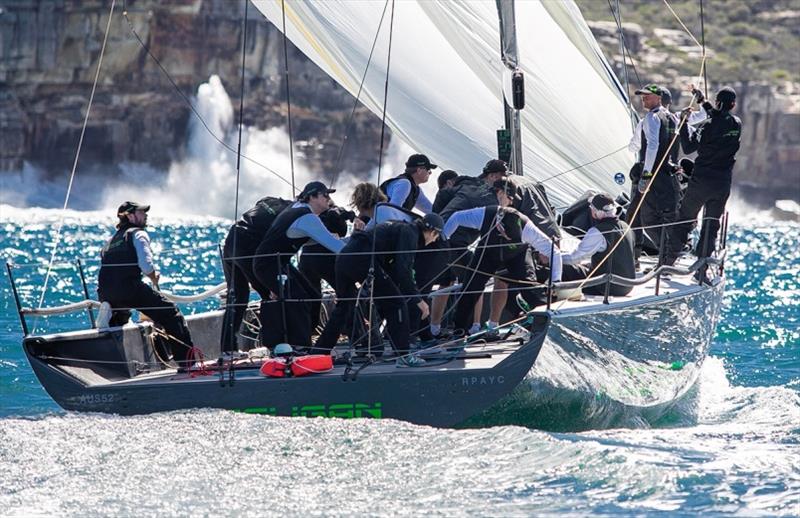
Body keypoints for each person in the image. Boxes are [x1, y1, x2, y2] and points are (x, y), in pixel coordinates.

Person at [315, 214, 443, 366]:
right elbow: (404, 270)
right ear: (433, 232)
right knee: (397, 304)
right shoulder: (411, 233)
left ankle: (318, 352)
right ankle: (403, 356)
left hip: (345, 257)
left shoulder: (400, 226)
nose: (434, 241)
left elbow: (393, 268)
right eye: (436, 237)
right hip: (363, 259)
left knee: (344, 307)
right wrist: (419, 300)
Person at [446, 182, 562, 334]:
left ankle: (546, 320)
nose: (506, 235)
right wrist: (443, 238)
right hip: (488, 253)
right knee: (471, 288)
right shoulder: (484, 214)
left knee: (529, 287)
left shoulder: (527, 228)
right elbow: (456, 217)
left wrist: (555, 282)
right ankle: (459, 329)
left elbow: (555, 252)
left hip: (515, 255)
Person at [97, 202, 195, 371]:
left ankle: (113, 316)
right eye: (141, 212)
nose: (146, 215)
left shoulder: (109, 241)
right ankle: (188, 364)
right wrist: (153, 276)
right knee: (171, 314)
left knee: (121, 316)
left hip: (105, 291)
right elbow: (146, 265)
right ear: (129, 216)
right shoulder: (138, 234)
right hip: (129, 288)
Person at [253, 182, 345, 349]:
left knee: (312, 295)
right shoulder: (307, 217)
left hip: (279, 262)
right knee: (299, 298)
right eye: (325, 195)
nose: (329, 199)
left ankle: (303, 339)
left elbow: (299, 234)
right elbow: (335, 247)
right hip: (267, 265)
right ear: (312, 196)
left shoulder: (298, 208)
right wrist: (364, 250)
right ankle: (300, 346)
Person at [665, 85, 742, 269]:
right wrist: (702, 102)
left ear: (718, 102)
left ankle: (667, 262)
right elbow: (719, 117)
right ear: (733, 105)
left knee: (685, 220)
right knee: (711, 225)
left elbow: (689, 147)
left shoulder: (707, 125)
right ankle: (702, 268)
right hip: (722, 185)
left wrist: (683, 123)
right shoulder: (736, 124)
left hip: (701, 182)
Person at [220, 196, 291, 354]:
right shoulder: (291, 215)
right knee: (270, 294)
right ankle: (275, 346)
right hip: (247, 246)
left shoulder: (268, 200)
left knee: (237, 296)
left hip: (231, 241)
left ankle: (227, 350)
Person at [632, 83, 681, 258]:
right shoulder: (672, 118)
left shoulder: (651, 118)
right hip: (668, 175)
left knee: (647, 219)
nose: (643, 98)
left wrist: (646, 175)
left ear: (658, 98)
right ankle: (668, 256)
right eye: (642, 95)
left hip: (654, 175)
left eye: (648, 95)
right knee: (666, 218)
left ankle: (669, 254)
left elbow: (652, 145)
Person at [561, 193, 636, 297]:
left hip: (605, 287)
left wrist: (554, 257)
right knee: (583, 266)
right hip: (627, 286)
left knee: (563, 266)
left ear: (597, 211)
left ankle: (552, 293)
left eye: (592, 207)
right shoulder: (627, 227)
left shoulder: (597, 232)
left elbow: (574, 258)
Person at [298, 205, 355, 331]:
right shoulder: (334, 214)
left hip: (306, 259)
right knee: (348, 294)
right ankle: (353, 330)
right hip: (325, 260)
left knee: (312, 298)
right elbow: (340, 237)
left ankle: (307, 332)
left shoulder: (315, 218)